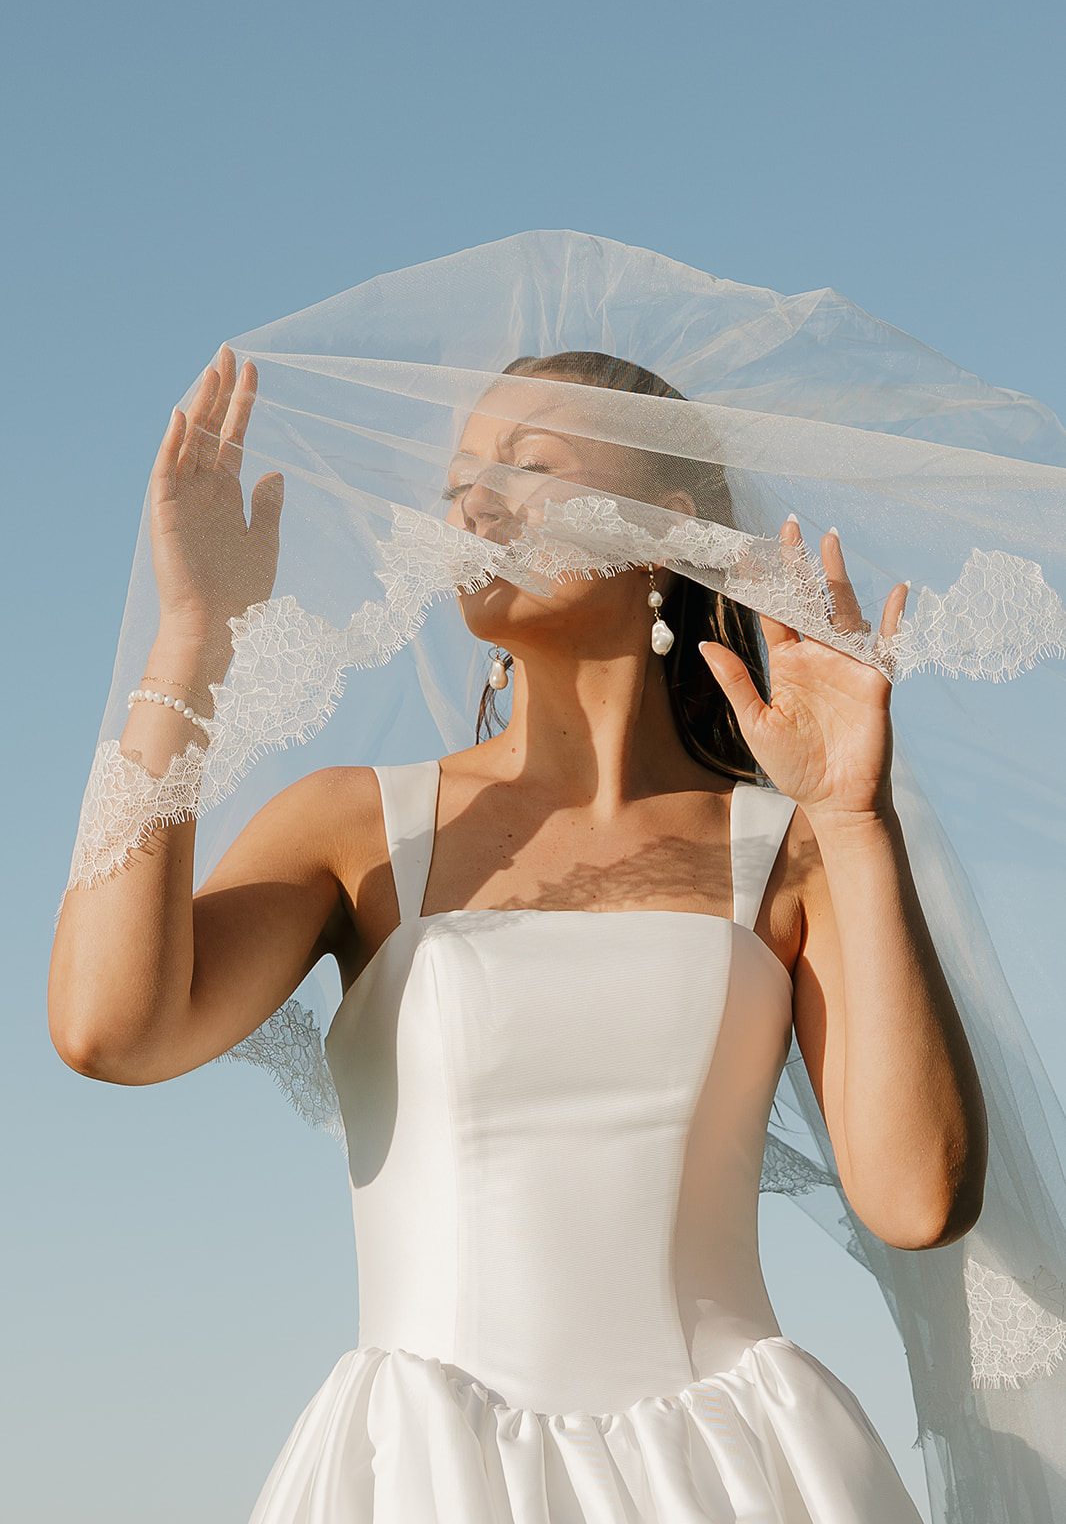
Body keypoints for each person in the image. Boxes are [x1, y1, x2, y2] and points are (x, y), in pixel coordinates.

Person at [50, 336, 989, 1522]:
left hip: (737, 1476)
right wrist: (191, 633)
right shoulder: (354, 827)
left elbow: (916, 1200)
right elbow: (107, 1028)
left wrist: (854, 820)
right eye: (457, 484)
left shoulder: (791, 852)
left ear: (670, 520)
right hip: (425, 1471)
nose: (476, 501)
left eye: (529, 462)